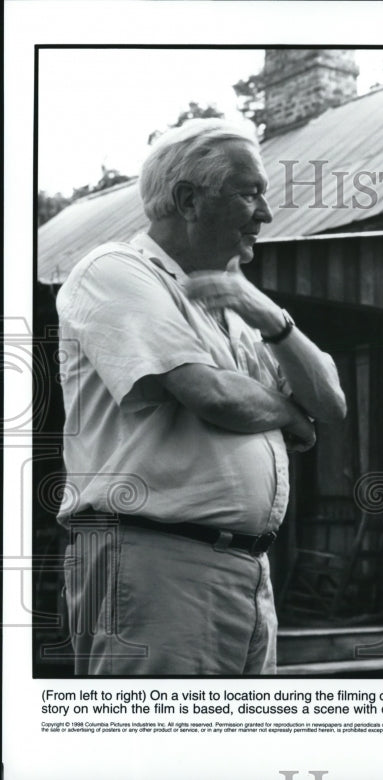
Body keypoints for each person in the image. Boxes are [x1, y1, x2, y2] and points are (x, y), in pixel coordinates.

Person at [56, 119, 347, 674]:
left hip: (244, 568)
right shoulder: (115, 270)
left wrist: (270, 317)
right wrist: (291, 416)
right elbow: (211, 394)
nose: (265, 214)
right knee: (161, 756)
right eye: (249, 193)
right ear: (188, 200)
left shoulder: (235, 305)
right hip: (156, 559)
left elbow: (330, 404)